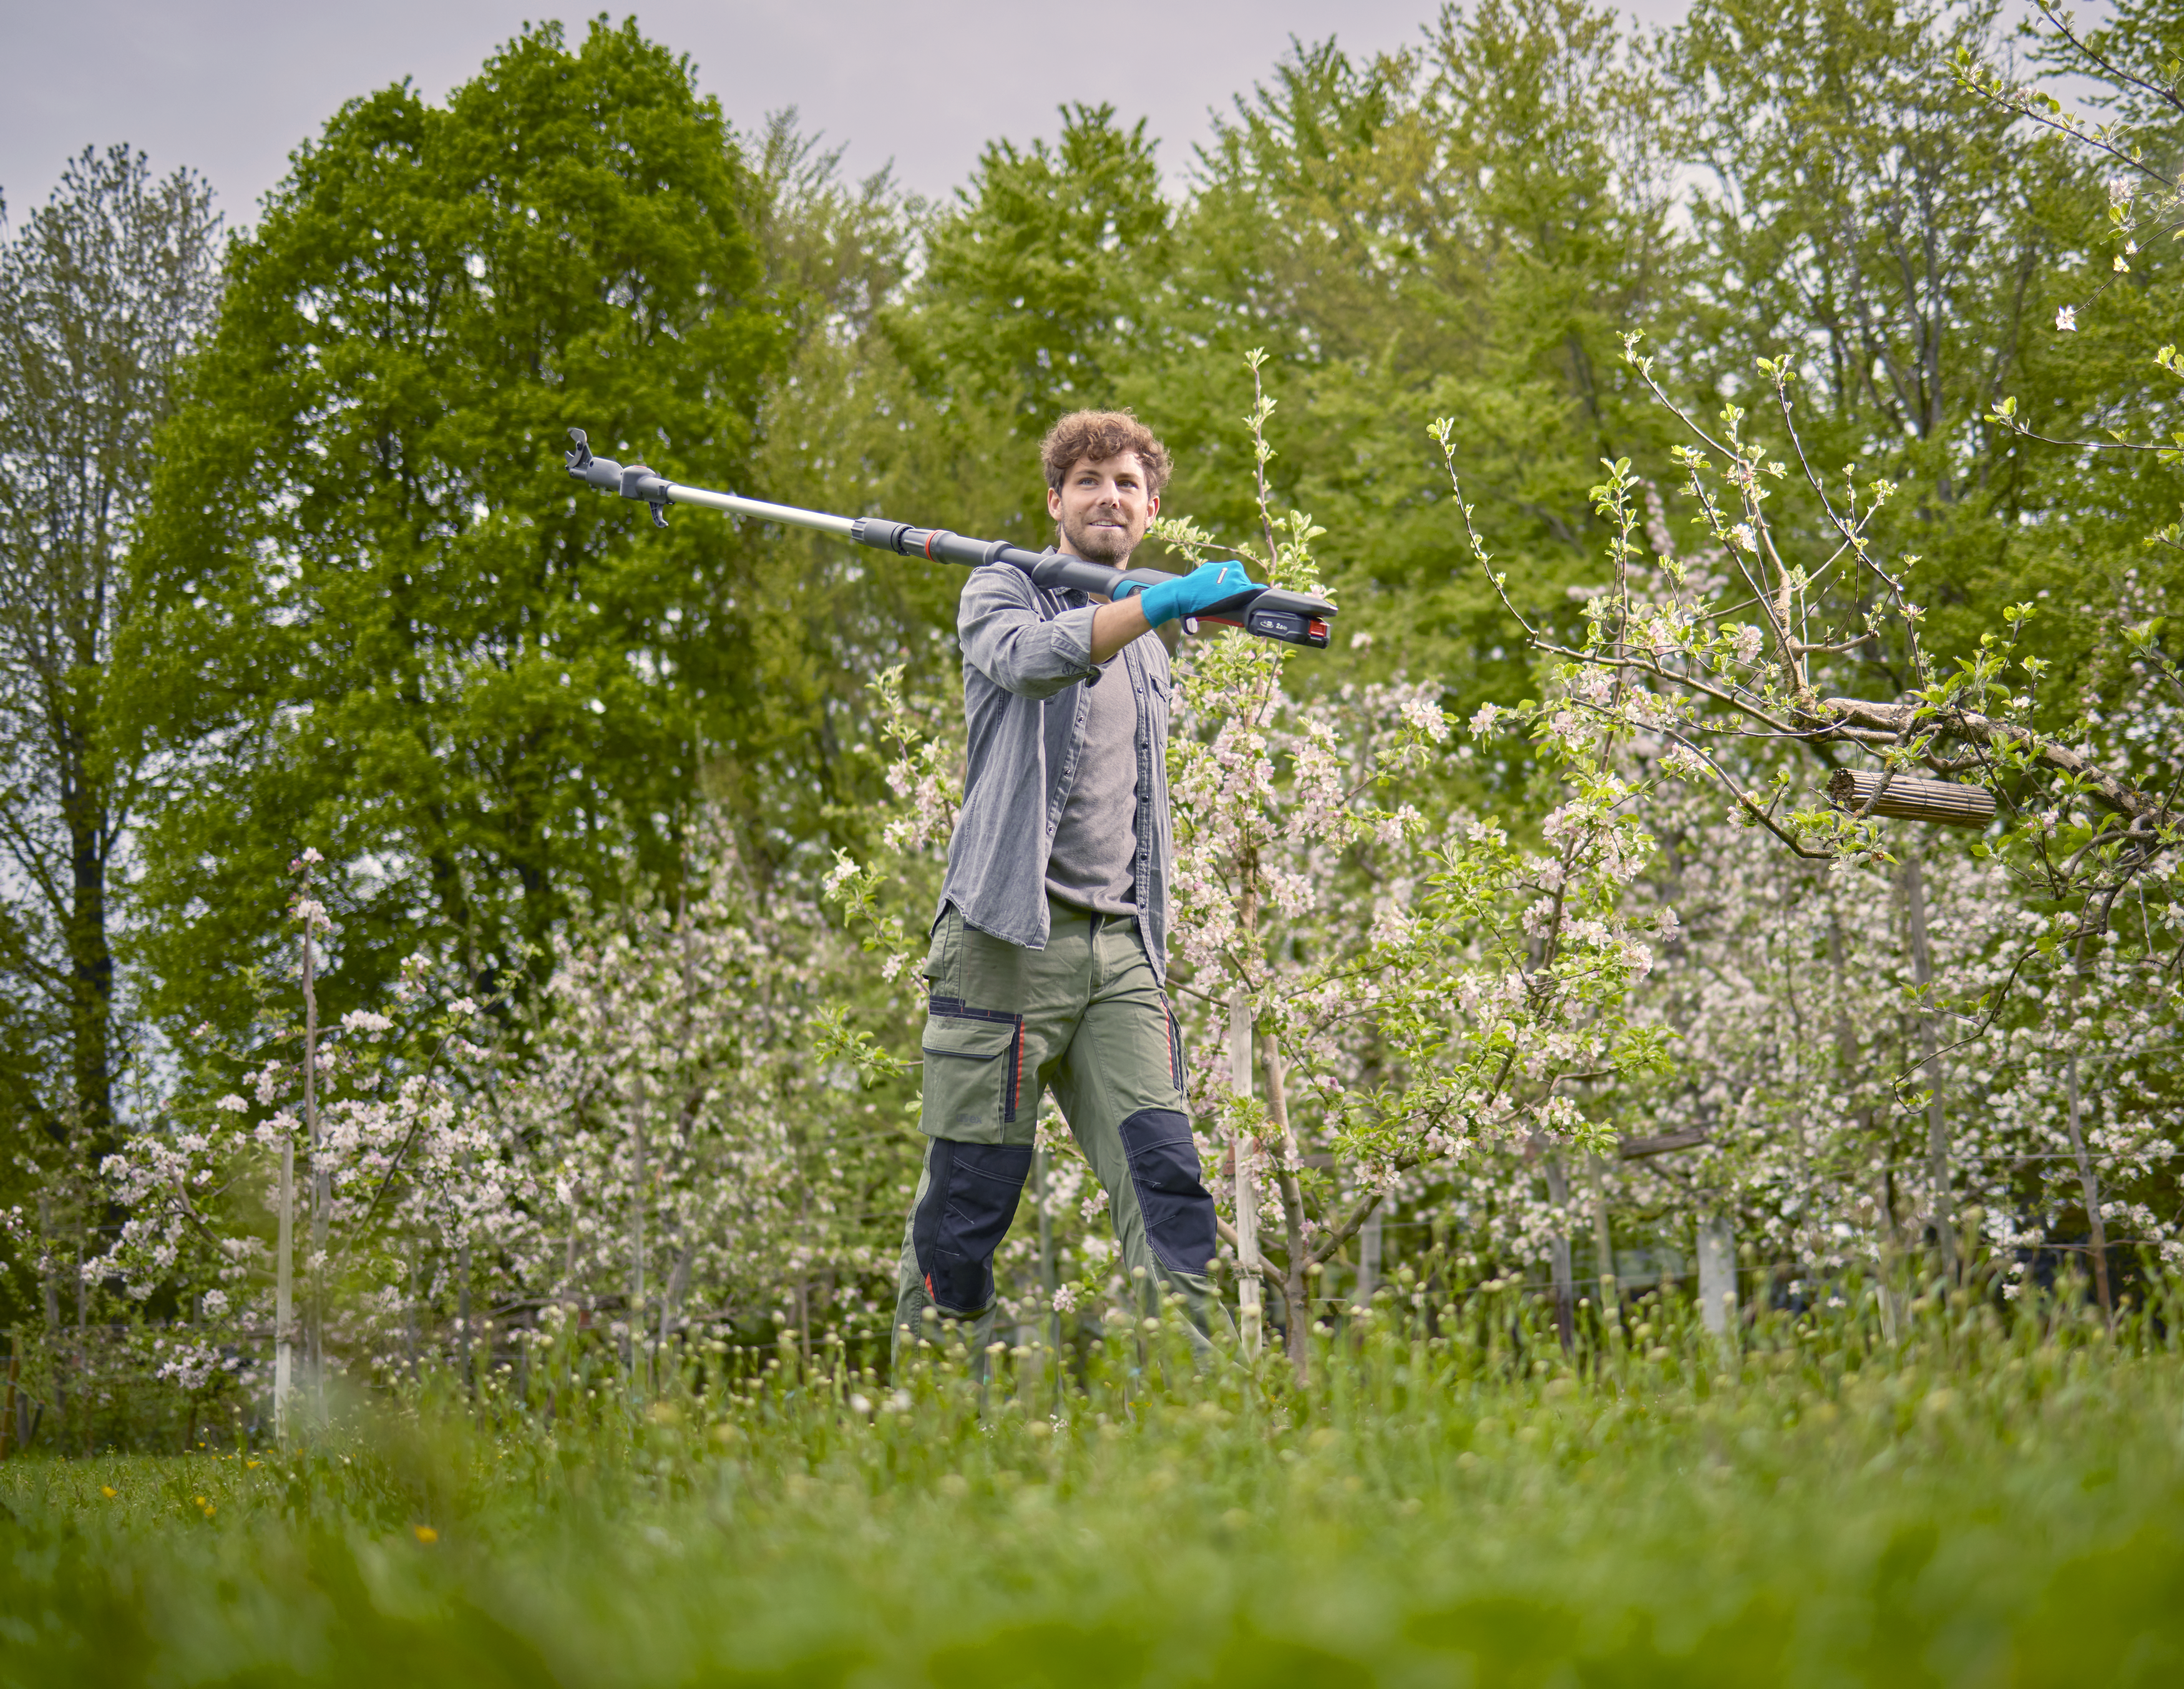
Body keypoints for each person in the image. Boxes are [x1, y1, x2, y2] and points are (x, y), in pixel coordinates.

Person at [890, 410, 1260, 1370]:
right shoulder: (999, 588)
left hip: (1120, 954)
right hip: (1006, 944)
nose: (1109, 496)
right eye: (1088, 480)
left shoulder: (1150, 634)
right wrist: (1164, 605)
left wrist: (1181, 609)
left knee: (1169, 1187)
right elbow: (1032, 660)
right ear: (1055, 501)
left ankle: (1196, 1425)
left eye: (1128, 483)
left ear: (1153, 508)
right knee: (968, 1211)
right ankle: (916, 1433)